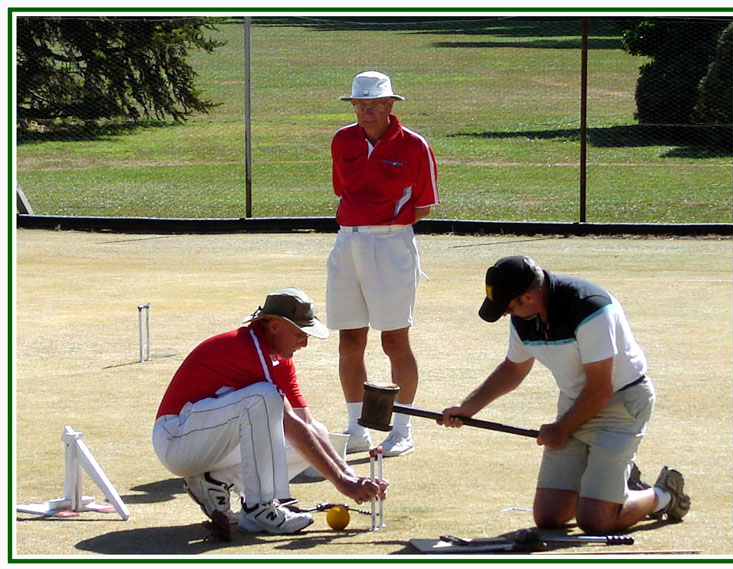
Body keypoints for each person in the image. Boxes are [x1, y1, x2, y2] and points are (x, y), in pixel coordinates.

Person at [440, 256, 690, 534]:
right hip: (576, 403)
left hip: (621, 403)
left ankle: (664, 495)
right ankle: (611, 484)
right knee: (548, 517)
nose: (504, 314)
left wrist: (561, 429)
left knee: (596, 521)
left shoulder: (590, 308)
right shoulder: (523, 317)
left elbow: (600, 388)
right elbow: (513, 369)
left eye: (507, 307)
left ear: (529, 296)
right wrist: (468, 407)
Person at [152, 287, 387, 536]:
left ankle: (214, 482)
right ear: (274, 326)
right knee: (265, 397)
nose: (305, 343)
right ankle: (259, 509)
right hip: (176, 440)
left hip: (205, 442)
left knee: (318, 432)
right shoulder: (245, 348)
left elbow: (305, 423)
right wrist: (342, 483)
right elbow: (289, 423)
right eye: (299, 334)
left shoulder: (280, 358)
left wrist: (352, 475)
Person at [327, 70, 440, 458]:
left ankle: (402, 429)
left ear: (391, 104)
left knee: (394, 340)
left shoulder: (414, 145)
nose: (367, 110)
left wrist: (388, 229)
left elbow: (423, 204)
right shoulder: (342, 140)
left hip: (391, 245)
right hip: (347, 243)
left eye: (374, 103)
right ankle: (357, 429)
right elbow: (343, 190)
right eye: (360, 103)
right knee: (349, 342)